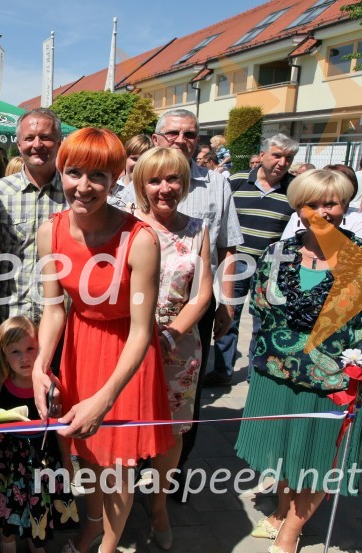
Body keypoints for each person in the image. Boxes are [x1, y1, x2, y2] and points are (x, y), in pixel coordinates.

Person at [235, 169, 362, 553]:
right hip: (275, 376)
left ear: (345, 206)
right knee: (280, 453)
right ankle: (282, 510)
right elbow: (261, 311)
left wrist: (353, 358)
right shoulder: (277, 254)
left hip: (330, 383)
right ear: (298, 207)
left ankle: (290, 534)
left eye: (330, 203)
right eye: (311, 203)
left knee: (317, 462)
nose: (321, 211)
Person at [31, 127, 173, 553]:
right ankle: (93, 526)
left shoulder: (141, 239)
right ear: (61, 172)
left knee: (119, 467)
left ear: (116, 180)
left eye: (98, 176)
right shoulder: (49, 232)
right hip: (78, 347)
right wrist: (42, 365)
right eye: (74, 172)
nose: (84, 186)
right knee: (87, 458)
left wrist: (106, 397)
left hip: (126, 357)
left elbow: (142, 330)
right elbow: (55, 309)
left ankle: (108, 546)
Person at [148, 108, 242, 476]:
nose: (181, 140)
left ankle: (174, 476)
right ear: (157, 138)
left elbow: (228, 247)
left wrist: (228, 303)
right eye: (173, 133)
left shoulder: (216, 184)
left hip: (195, 308)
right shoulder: (136, 180)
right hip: (143, 311)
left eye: (190, 134)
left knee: (186, 397)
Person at [129, 147, 212, 549]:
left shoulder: (198, 228)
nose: (165, 189)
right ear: (141, 184)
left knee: (172, 430)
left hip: (178, 345)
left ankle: (158, 505)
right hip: (127, 341)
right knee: (124, 425)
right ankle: (118, 503)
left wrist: (170, 335)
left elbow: (202, 294)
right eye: (155, 180)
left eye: (173, 179)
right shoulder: (124, 223)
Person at [208, 133, 298, 387]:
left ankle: (255, 376)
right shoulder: (236, 181)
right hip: (236, 262)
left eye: (288, 158)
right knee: (228, 316)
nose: (282, 162)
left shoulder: (295, 189)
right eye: (277, 155)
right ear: (261, 156)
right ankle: (222, 371)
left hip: (273, 266)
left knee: (263, 321)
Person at [0, 316, 78, 553]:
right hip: (10, 457)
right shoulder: (0, 382)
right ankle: (7, 541)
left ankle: (36, 540)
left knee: (38, 501)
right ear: (3, 353)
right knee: (9, 501)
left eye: (30, 349)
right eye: (14, 351)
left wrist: (67, 460)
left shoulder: (51, 385)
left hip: (42, 455)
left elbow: (59, 426)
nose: (24, 357)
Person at [0, 108, 66, 324]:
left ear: (59, 143)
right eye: (29, 138)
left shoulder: (74, 193)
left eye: (46, 137)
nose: (37, 145)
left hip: (62, 321)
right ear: (19, 144)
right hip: (10, 315)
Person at [110, 133, 151, 209]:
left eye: (144, 160)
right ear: (125, 158)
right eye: (134, 159)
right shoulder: (112, 188)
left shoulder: (151, 193)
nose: (139, 165)